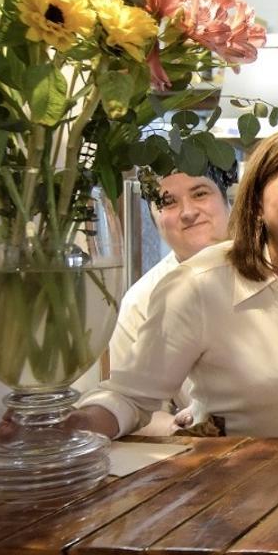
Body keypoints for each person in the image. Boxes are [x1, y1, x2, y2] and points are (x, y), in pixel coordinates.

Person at [72, 125, 278, 438]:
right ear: (257, 203)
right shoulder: (197, 285)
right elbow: (129, 396)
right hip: (246, 470)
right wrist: (73, 427)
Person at [108, 165, 237, 433]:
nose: (188, 212)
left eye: (200, 194)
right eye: (168, 202)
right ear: (153, 218)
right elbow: (133, 405)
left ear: (227, 199)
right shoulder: (141, 301)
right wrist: (184, 428)